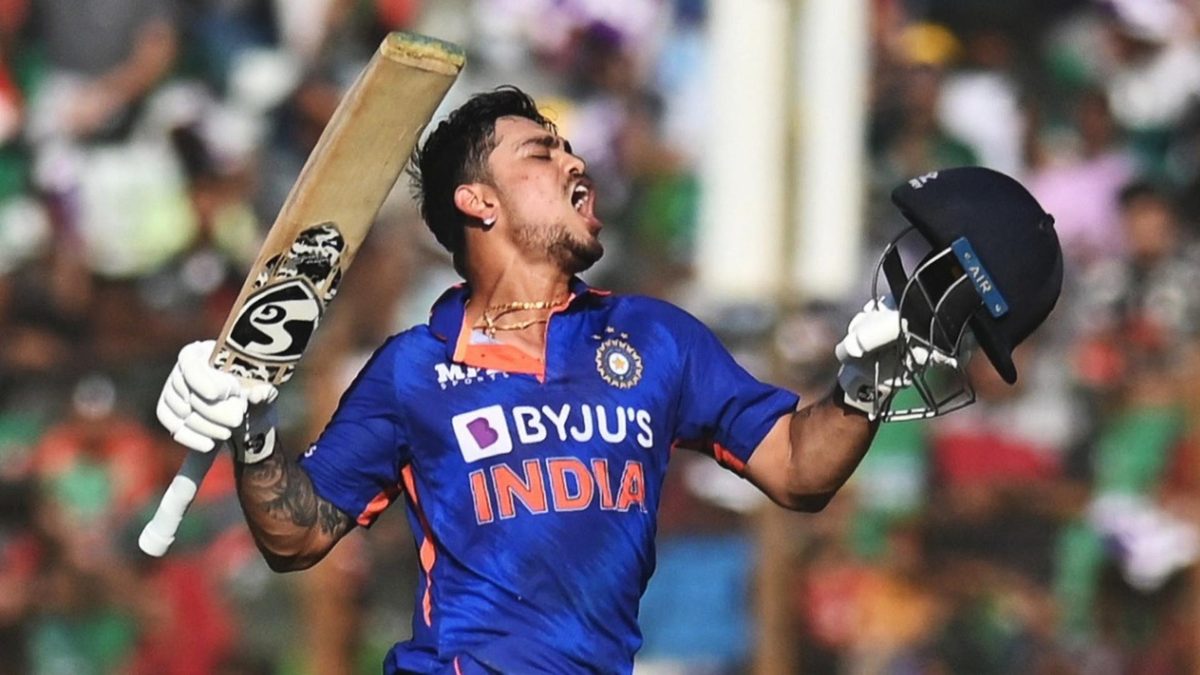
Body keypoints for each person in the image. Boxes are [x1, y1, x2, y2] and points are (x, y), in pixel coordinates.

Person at [155, 87, 1060, 674]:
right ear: (479, 201)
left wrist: (863, 388)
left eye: (568, 148)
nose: (575, 162)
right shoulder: (413, 370)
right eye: (540, 153)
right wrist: (254, 432)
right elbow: (297, 535)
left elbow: (797, 469)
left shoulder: (656, 337)